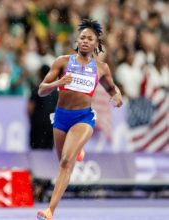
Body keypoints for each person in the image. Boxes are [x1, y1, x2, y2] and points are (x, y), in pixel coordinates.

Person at [36, 19, 123, 220]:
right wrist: (59, 82)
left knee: (67, 161)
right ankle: (78, 148)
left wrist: (117, 96)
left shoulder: (101, 68)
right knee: (63, 163)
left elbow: (112, 89)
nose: (85, 41)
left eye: (89, 38)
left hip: (83, 118)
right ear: (77, 41)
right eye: (82, 37)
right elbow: (41, 90)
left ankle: (50, 211)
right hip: (61, 118)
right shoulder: (62, 62)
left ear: (96, 44)